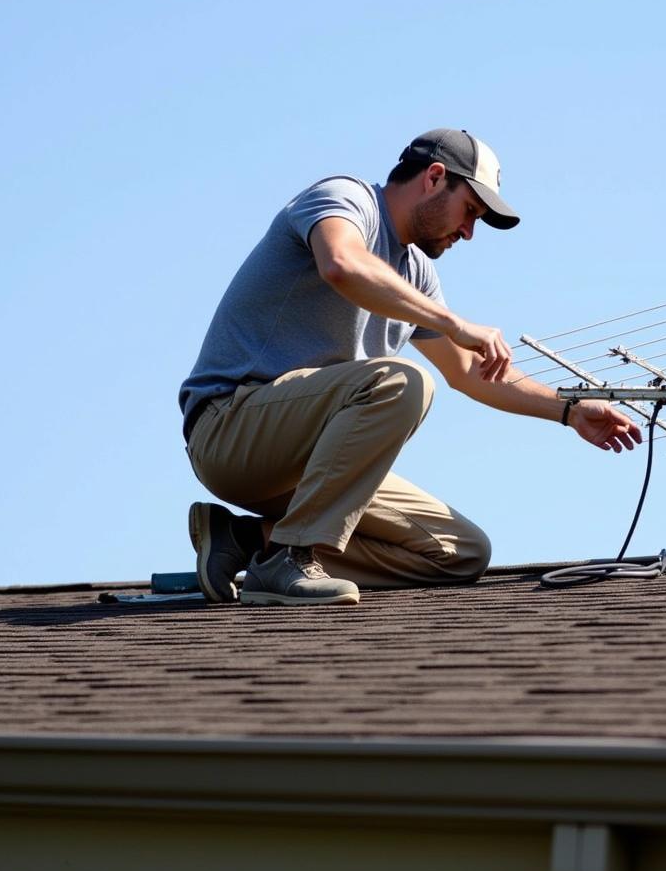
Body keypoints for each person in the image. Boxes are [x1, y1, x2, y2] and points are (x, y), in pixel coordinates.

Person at [179, 128, 642, 607]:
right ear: (435, 177)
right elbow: (340, 263)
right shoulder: (345, 198)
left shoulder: (414, 273)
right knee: (403, 381)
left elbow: (469, 373)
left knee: (460, 553)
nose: (468, 232)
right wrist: (451, 320)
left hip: (307, 466)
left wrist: (568, 411)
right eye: (470, 212)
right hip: (231, 429)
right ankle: (291, 557)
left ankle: (246, 540)